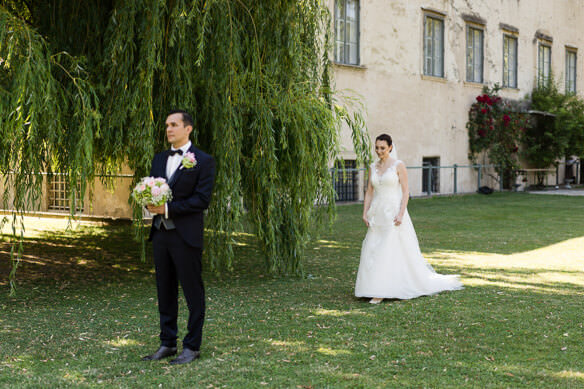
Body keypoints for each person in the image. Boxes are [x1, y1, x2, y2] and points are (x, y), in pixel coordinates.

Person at [142, 110, 216, 364]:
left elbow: (201, 200)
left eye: (174, 125)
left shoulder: (204, 161)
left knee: (193, 292)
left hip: (186, 236)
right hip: (161, 233)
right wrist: (148, 205)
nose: (168, 129)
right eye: (166, 125)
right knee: (165, 291)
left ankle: (192, 346)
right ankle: (167, 343)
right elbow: (152, 190)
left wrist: (168, 209)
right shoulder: (159, 158)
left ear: (188, 129)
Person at [355, 134, 462, 304]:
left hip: (393, 211)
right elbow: (369, 191)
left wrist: (400, 213)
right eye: (377, 147)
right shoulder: (372, 167)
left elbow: (405, 191)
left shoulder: (398, 165)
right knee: (373, 248)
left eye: (382, 148)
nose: (379, 151)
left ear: (390, 147)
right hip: (377, 212)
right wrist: (365, 212)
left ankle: (383, 290)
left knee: (387, 248)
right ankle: (372, 286)